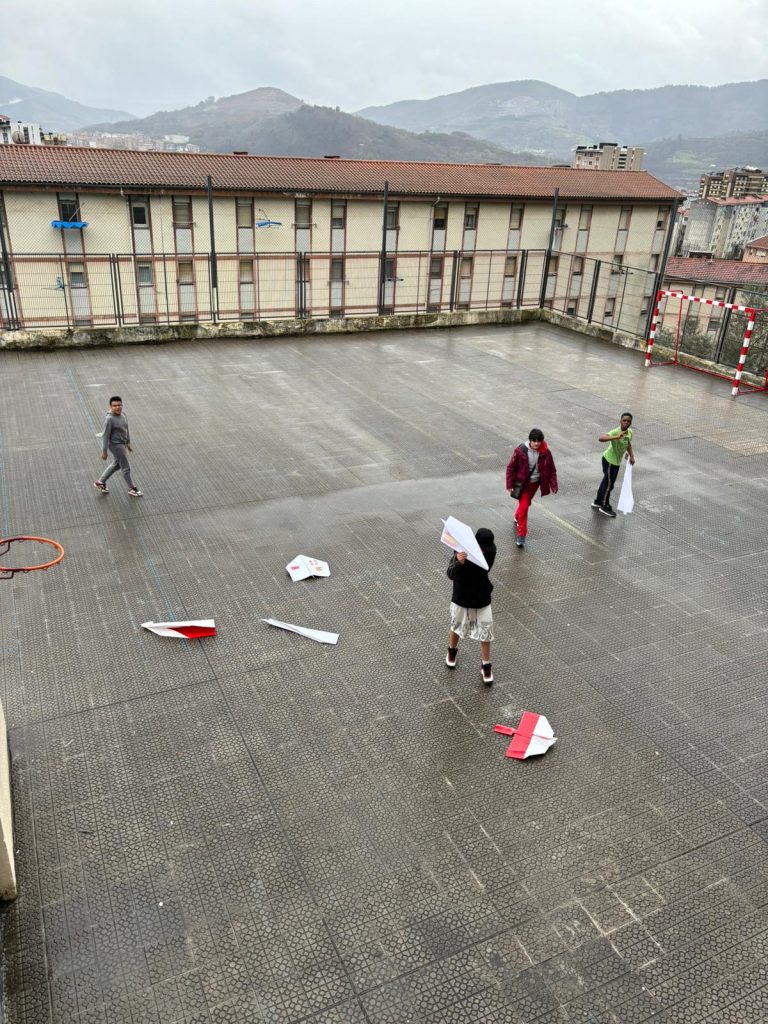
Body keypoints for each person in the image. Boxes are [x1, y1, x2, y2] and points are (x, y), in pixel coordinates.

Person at [445, 528, 497, 685]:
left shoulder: (489, 552)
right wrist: (457, 561)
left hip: (481, 597)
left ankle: (486, 664)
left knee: (486, 631)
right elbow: (450, 574)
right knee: (456, 626)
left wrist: (464, 562)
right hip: (462, 596)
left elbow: (482, 569)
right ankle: (451, 651)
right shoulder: (460, 549)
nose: (484, 549)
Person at [505, 428, 558, 548]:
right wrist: (509, 484)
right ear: (530, 440)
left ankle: (517, 515)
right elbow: (510, 468)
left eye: (539, 441)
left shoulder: (546, 452)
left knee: (526, 504)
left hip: (535, 484)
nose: (536, 443)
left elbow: (552, 469)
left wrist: (553, 485)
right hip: (523, 484)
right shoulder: (520, 451)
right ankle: (521, 535)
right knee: (524, 507)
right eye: (534, 441)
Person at [94, 395, 143, 497]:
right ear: (110, 406)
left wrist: (128, 442)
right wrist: (104, 451)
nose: (117, 407)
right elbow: (105, 436)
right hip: (116, 446)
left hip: (122, 444)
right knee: (125, 468)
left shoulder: (123, 415)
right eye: (114, 405)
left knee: (117, 464)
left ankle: (100, 482)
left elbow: (126, 429)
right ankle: (131, 488)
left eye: (119, 405)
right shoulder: (109, 419)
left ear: (122, 405)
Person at [592, 412, 635, 517]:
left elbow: (628, 443)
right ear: (620, 421)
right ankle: (604, 506)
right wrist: (616, 437)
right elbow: (601, 438)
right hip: (609, 461)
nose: (626, 422)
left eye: (628, 421)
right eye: (624, 420)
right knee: (609, 485)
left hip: (616, 462)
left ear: (631, 423)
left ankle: (597, 501)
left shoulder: (630, 432)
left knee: (606, 482)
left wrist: (631, 455)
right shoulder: (616, 431)